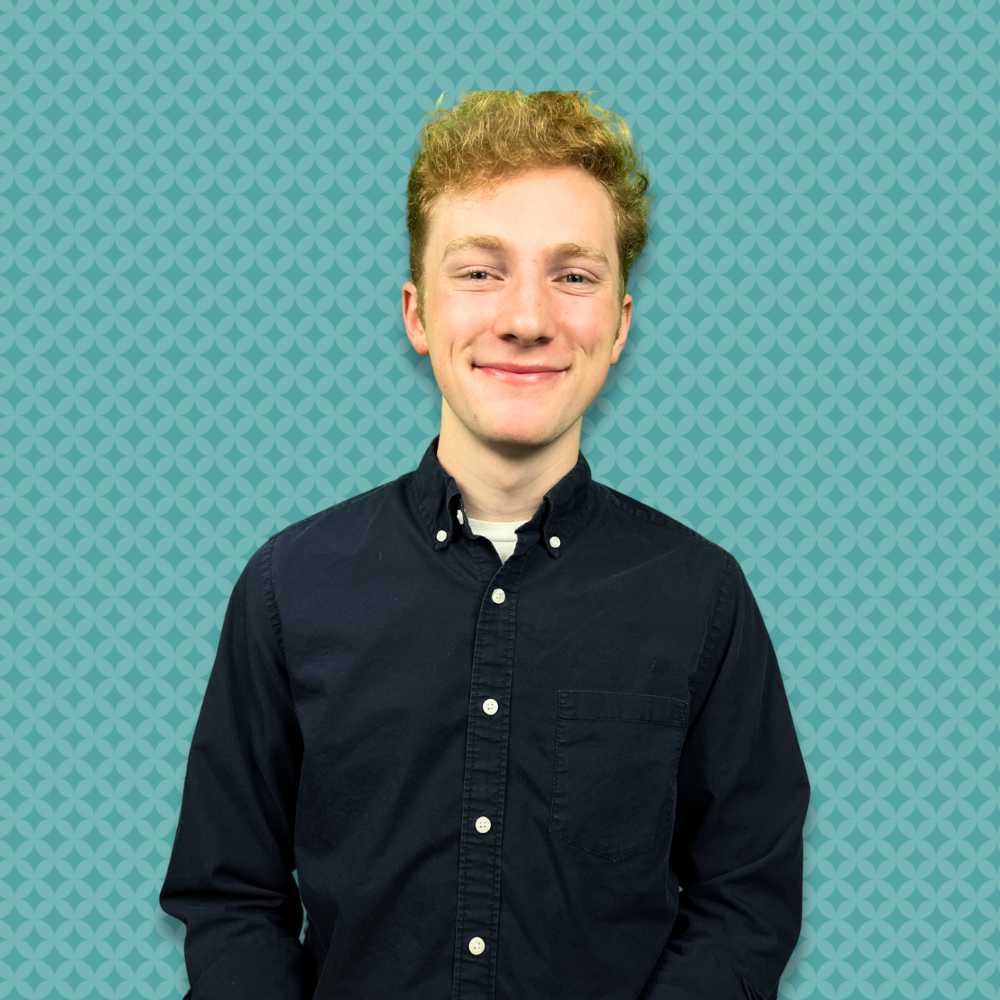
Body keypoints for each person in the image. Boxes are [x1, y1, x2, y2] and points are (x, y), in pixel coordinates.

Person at [160, 91, 810, 1000]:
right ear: (417, 314)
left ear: (619, 324)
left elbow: (744, 902)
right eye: (479, 273)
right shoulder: (287, 586)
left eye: (573, 276)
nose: (527, 318)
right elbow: (229, 897)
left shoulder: (703, 595)